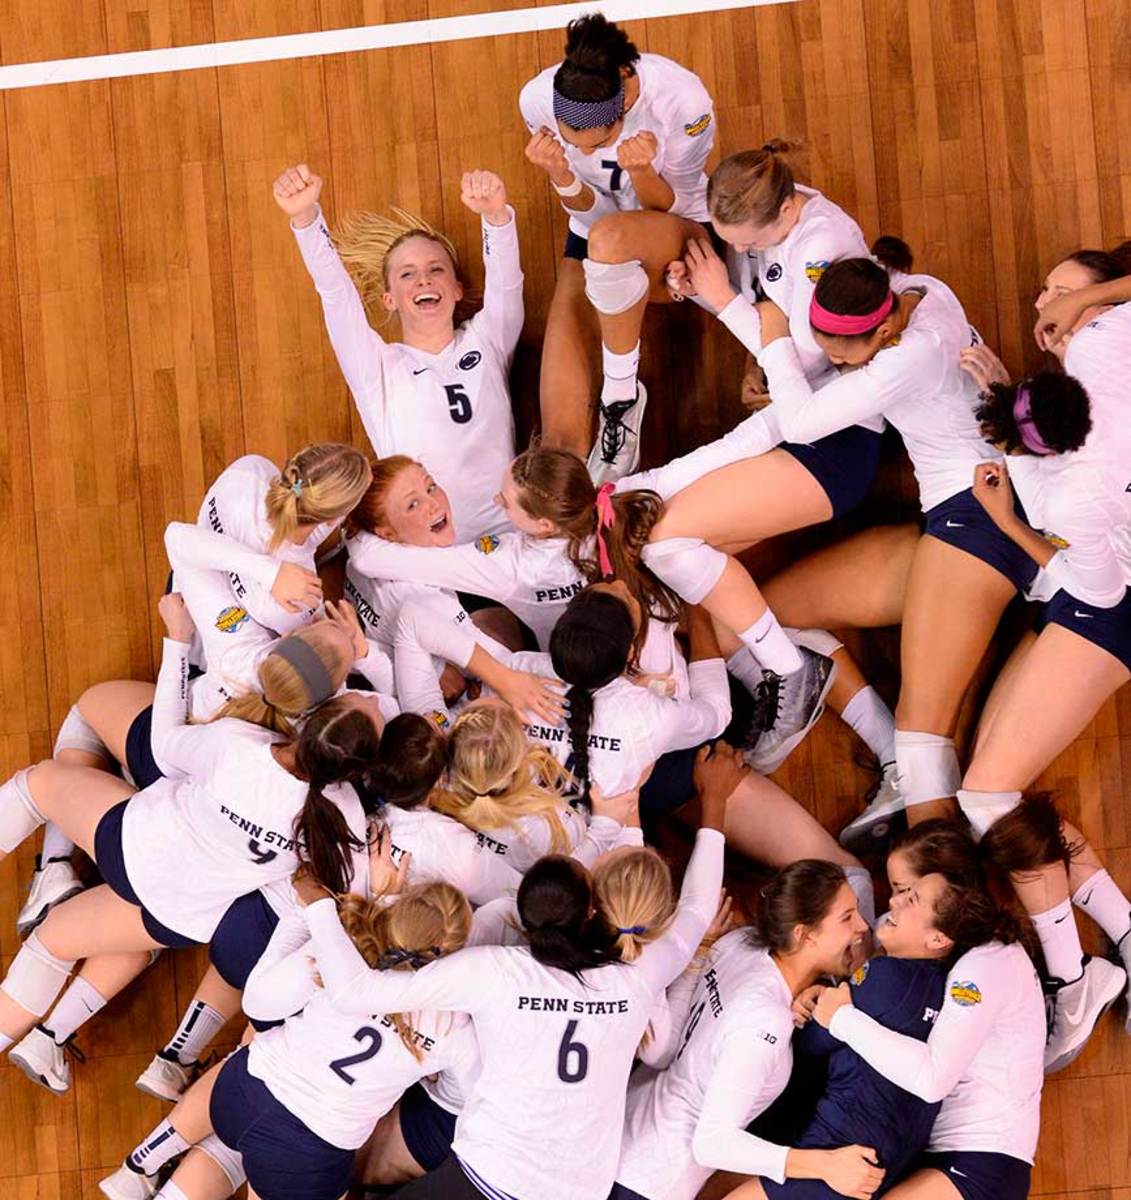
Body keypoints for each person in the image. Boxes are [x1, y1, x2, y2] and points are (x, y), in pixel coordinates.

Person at [293, 747, 736, 1200]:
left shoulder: (497, 972)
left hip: (487, 1174)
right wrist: (713, 800)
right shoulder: (639, 976)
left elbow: (353, 992)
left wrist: (321, 907)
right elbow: (699, 906)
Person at [0, 595, 381, 1090]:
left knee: (40, 784)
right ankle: (44, 1032)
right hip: (179, 917)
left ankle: (53, 869)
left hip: (133, 847)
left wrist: (178, 637)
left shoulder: (242, 747)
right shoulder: (343, 815)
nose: (372, 700)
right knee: (56, 938)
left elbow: (165, 748)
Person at [99, 881, 475, 1200]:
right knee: (261, 1151)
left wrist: (304, 913)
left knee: (251, 1062)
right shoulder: (454, 1022)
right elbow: (463, 1095)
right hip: (307, 1156)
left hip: (240, 1096)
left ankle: (138, 1167)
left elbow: (261, 1002)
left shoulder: (343, 950)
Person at [275, 163, 521, 542]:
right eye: (407, 274)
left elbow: (506, 284)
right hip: (432, 554)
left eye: (436, 269)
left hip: (511, 539)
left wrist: (496, 216)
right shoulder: (379, 369)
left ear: (457, 289)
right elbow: (336, 296)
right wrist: (306, 219)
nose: (424, 279)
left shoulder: (488, 338)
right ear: (389, 299)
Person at [521, 13, 716, 479]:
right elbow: (588, 214)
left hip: (673, 232)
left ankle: (621, 394)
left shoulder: (684, 103)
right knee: (559, 446)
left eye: (601, 142)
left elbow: (671, 209)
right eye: (573, 143)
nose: (586, 153)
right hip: (596, 235)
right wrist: (562, 175)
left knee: (608, 242)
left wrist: (645, 172)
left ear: (625, 90)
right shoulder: (534, 100)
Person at [610, 860, 876, 1200]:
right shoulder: (767, 1021)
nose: (863, 925)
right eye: (847, 917)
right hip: (649, 1182)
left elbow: (671, 1044)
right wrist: (825, 1165)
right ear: (803, 934)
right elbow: (713, 1143)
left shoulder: (737, 943)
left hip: (614, 1146)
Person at [810, 823, 1045, 1200]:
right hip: (949, 1155)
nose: (894, 902)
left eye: (908, 894)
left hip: (982, 1162)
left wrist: (841, 1019)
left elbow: (933, 1078)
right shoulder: (963, 951)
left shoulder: (985, 963)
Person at [347, 446, 680, 654]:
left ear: (543, 523)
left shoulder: (512, 566)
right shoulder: (620, 503)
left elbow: (369, 558)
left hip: (590, 668)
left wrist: (347, 525)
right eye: (413, 503)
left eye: (504, 503)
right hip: (654, 653)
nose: (433, 502)